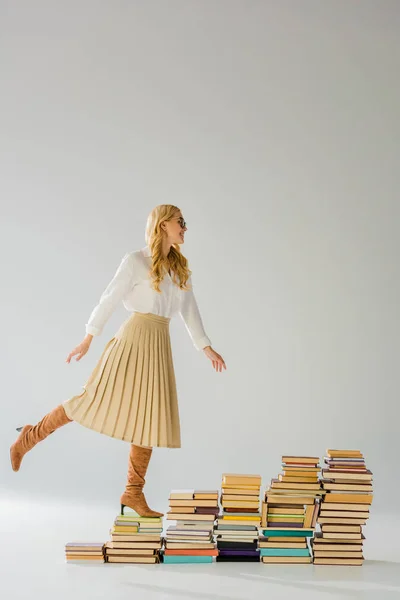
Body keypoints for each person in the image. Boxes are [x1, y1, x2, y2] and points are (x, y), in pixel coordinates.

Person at [10, 204, 226, 517]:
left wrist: (206, 348)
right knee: (89, 399)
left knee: (149, 417)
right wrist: (89, 337)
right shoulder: (136, 261)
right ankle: (28, 438)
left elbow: (189, 310)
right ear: (163, 225)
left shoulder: (180, 268)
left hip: (159, 343)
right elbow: (109, 298)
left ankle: (133, 492)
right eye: (181, 222)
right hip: (133, 339)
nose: (185, 228)